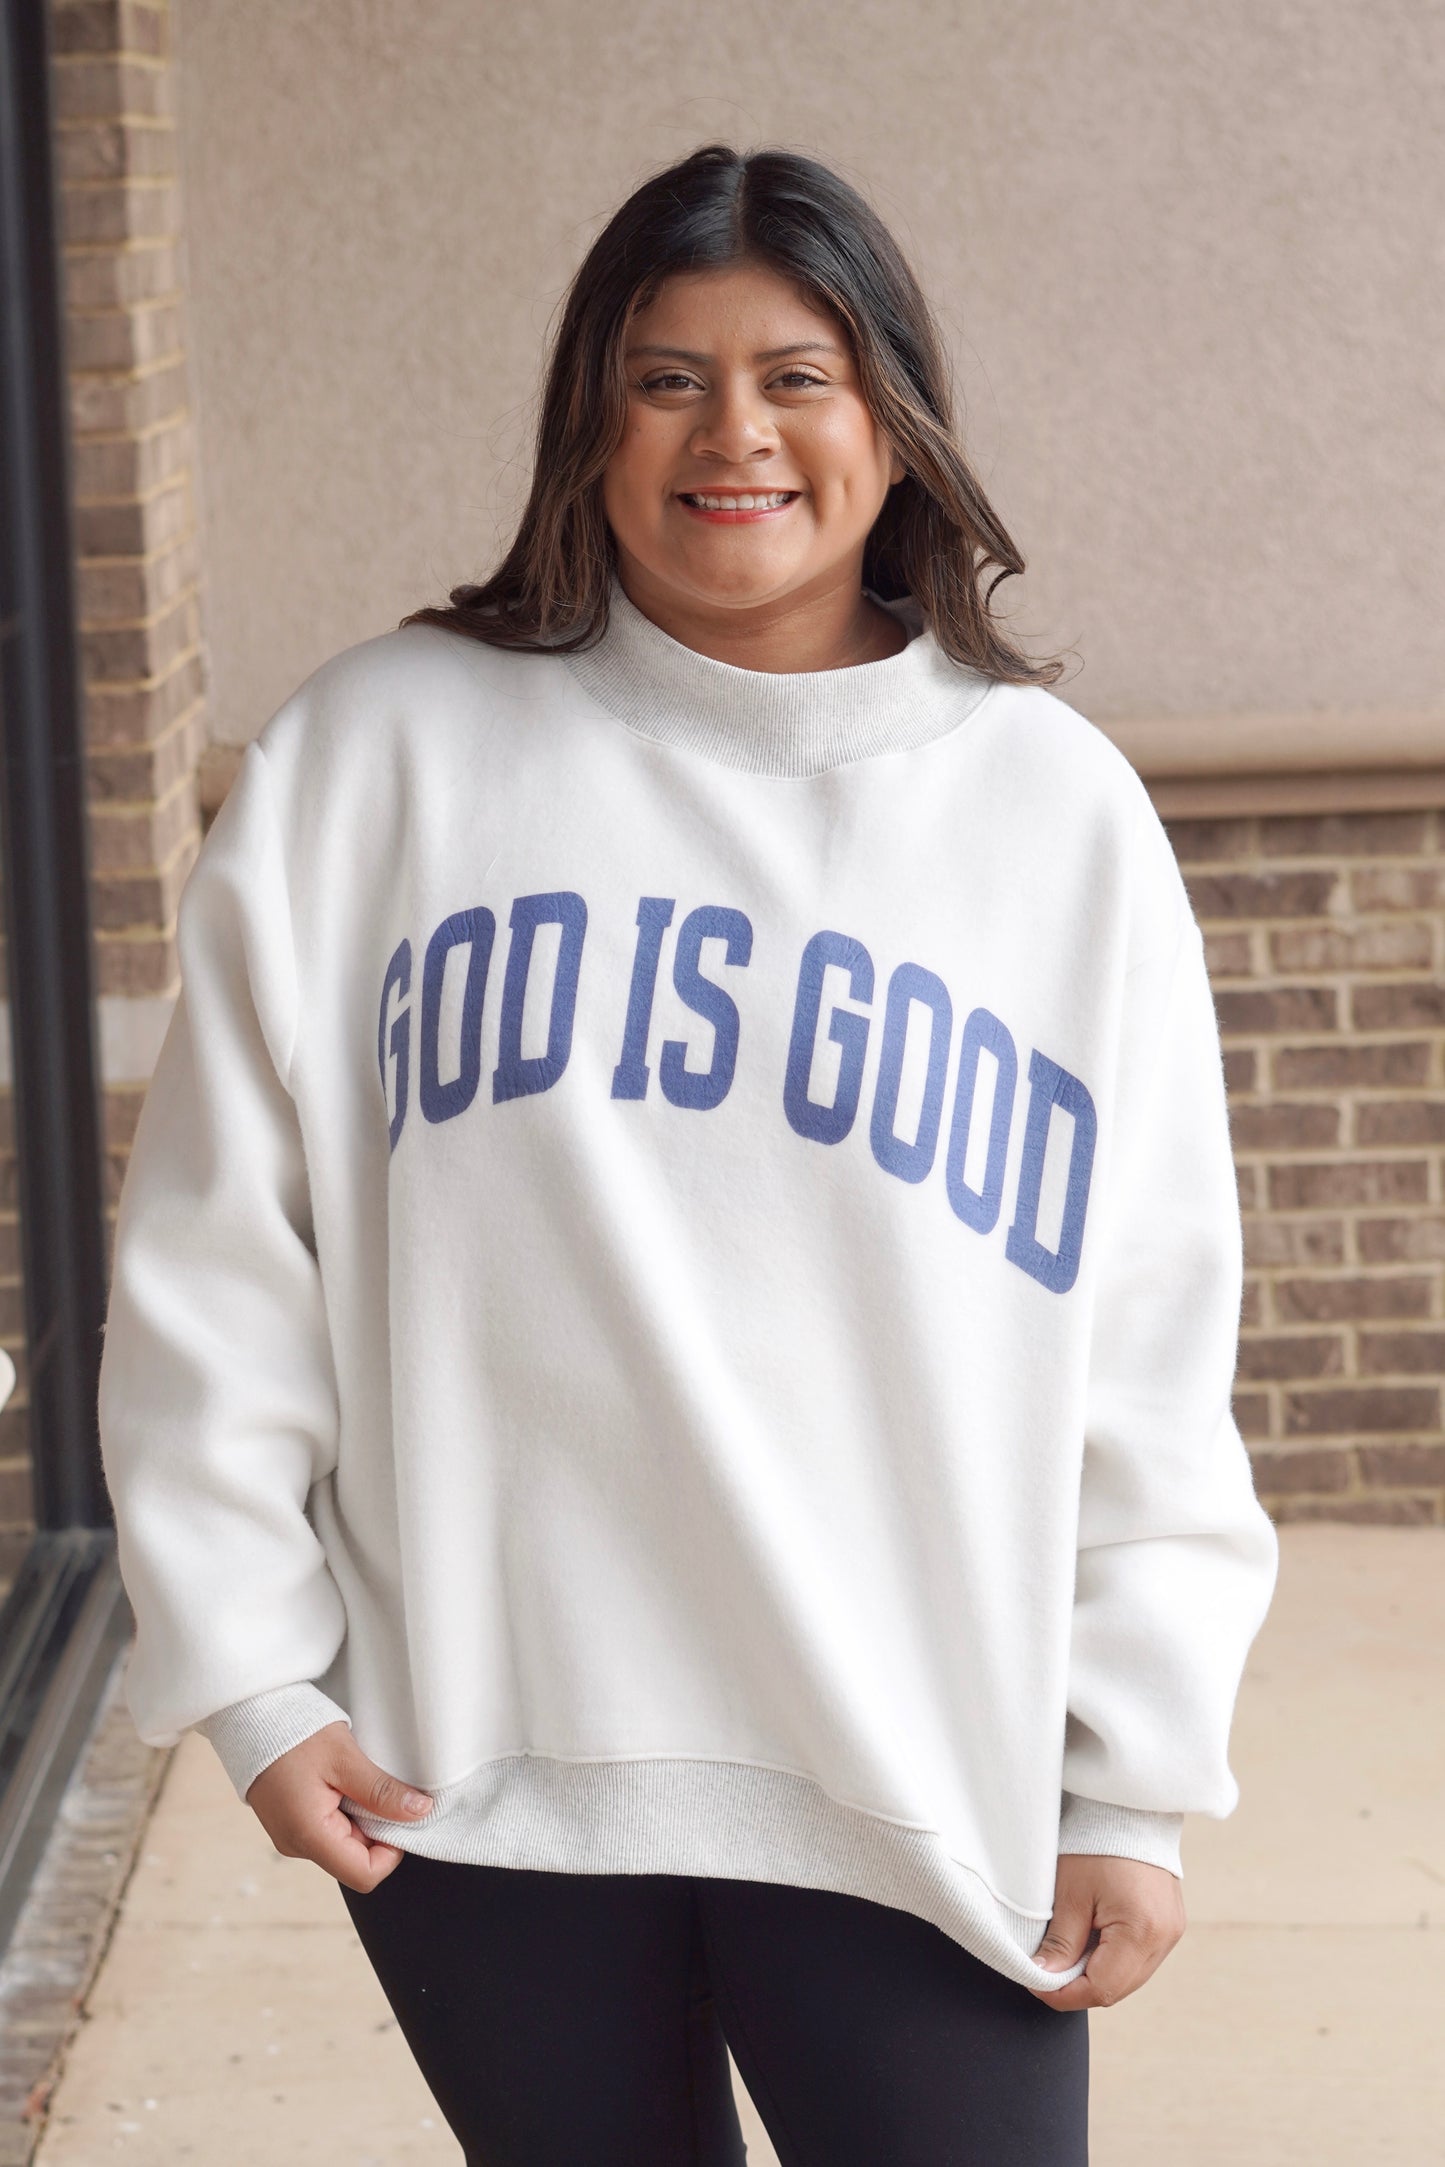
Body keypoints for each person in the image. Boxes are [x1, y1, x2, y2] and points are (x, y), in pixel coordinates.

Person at [97, 143, 1280, 2164]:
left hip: (915, 1787)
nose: (733, 433)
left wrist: (1128, 1777)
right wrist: (254, 1673)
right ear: (588, 424)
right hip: (482, 1782)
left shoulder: (1051, 819)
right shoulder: (378, 760)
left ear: (896, 427)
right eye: (666, 378)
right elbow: (221, 1251)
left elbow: (1147, 1338)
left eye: (796, 374)